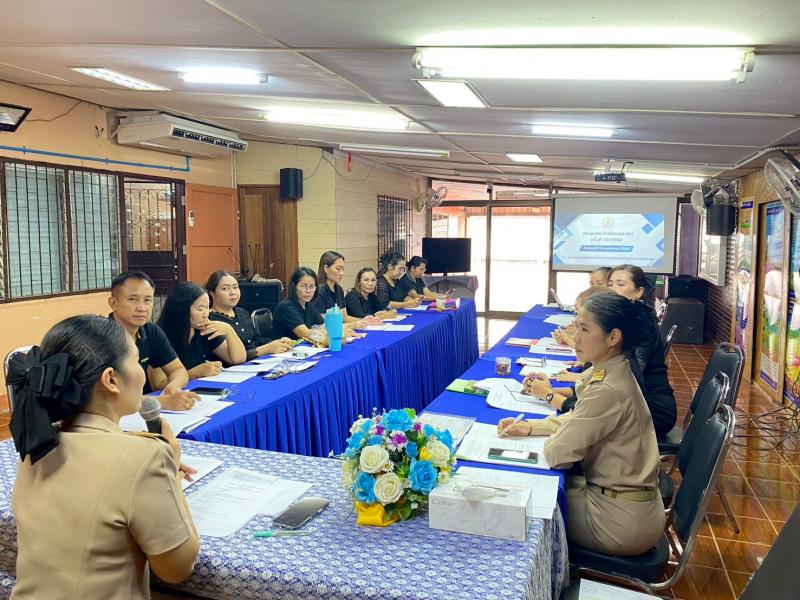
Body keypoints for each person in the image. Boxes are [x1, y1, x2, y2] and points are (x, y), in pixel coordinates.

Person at [7, 315, 199, 598]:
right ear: (110, 379)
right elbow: (177, 568)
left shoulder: (36, 441)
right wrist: (169, 466)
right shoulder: (145, 457)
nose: (142, 373)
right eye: (135, 361)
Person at [498, 294, 665, 556]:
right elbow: (580, 416)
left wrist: (556, 434)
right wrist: (532, 427)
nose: (575, 337)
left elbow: (557, 454)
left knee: (516, 507)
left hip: (616, 520)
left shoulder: (607, 388)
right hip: (621, 501)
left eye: (585, 329)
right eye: (576, 326)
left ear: (613, 337)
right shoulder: (614, 368)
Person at [108, 271, 199, 411]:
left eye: (147, 300)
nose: (142, 308)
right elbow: (107, 397)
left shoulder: (151, 331)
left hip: (142, 412)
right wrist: (163, 402)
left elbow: (178, 370)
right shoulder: (101, 336)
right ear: (113, 303)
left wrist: (173, 386)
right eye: (133, 300)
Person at [156, 282, 247, 380]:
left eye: (207, 307)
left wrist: (229, 330)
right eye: (200, 309)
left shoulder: (204, 329)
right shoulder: (160, 334)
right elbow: (158, 384)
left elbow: (238, 359)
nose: (206, 314)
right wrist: (194, 373)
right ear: (182, 310)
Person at [205, 270, 293, 361]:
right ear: (212, 293)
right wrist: (266, 349)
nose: (232, 292)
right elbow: (234, 359)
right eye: (225, 289)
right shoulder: (211, 320)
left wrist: (278, 343)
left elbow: (255, 340)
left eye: (235, 287)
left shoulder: (241, 312)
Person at [314, 251, 380, 326]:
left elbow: (344, 317)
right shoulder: (319, 291)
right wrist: (352, 325)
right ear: (326, 268)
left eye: (343, 269)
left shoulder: (339, 289)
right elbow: (324, 323)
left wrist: (364, 320)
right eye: (338, 269)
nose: (342, 273)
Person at [272, 267, 328, 342]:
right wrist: (319, 332)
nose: (308, 291)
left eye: (312, 286)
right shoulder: (286, 307)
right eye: (304, 286)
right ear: (294, 286)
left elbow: (324, 325)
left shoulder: (308, 304)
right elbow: (305, 334)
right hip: (284, 350)